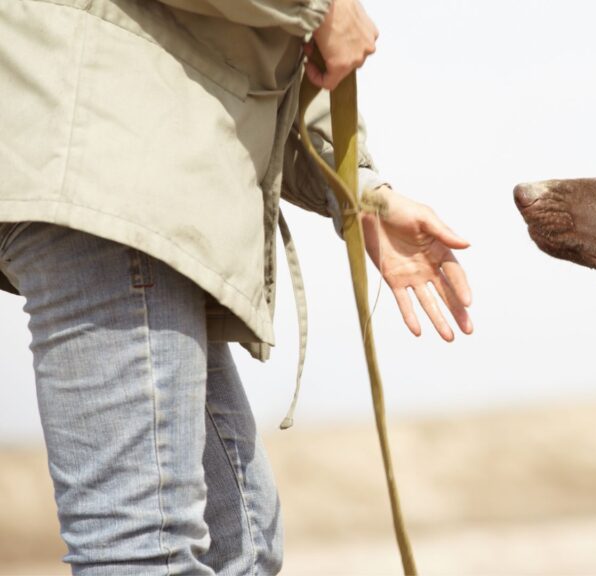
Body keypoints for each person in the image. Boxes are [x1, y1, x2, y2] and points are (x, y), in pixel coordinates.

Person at [0, 0, 471, 573]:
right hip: (106, 148)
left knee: (240, 548)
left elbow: (290, 65)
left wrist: (361, 192)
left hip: (145, 157)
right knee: (144, 548)